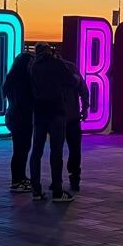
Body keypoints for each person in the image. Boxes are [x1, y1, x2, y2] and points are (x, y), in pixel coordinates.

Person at [28, 43, 76, 202]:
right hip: (56, 111)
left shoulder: (34, 67)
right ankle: (57, 190)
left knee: (36, 151)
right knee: (56, 151)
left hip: (39, 111)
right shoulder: (57, 63)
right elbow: (71, 82)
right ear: (50, 50)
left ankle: (36, 190)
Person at [2, 51, 36, 193]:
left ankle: (20, 177)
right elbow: (23, 101)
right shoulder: (23, 81)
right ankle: (16, 181)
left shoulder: (12, 78)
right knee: (21, 150)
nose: (32, 64)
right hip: (21, 118)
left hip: (14, 117)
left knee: (21, 149)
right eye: (31, 62)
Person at [61, 57, 89, 192]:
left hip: (57, 117)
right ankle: (74, 178)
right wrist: (85, 107)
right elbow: (83, 89)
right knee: (74, 149)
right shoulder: (71, 67)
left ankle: (57, 180)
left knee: (57, 150)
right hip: (72, 116)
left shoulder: (44, 69)